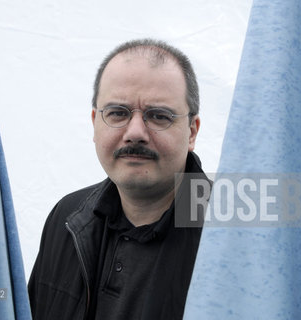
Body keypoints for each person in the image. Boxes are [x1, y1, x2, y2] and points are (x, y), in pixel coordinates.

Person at [28, 38, 210, 320]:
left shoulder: (230, 232)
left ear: (192, 132)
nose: (135, 132)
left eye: (159, 116)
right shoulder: (66, 217)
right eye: (117, 113)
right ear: (94, 123)